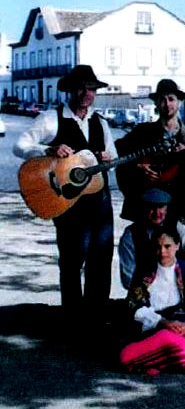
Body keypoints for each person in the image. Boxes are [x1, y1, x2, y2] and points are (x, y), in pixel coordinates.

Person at [14, 65, 117, 319]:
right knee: (72, 261)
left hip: (99, 199)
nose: (86, 93)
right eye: (81, 87)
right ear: (70, 90)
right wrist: (47, 150)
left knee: (101, 259)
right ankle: (72, 319)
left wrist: (107, 158)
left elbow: (113, 156)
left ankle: (96, 316)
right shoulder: (51, 118)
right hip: (66, 201)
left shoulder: (100, 123)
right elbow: (20, 145)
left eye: (91, 89)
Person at [119, 224, 185, 374]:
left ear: (177, 246)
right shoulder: (144, 271)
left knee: (176, 342)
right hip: (154, 328)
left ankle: (165, 360)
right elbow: (135, 306)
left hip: (182, 328)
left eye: (167, 246)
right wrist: (163, 322)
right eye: (158, 247)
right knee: (127, 355)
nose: (162, 252)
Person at [115, 79, 185, 233]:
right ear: (156, 103)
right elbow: (118, 158)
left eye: (171, 99)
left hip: (182, 211)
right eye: (162, 99)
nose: (167, 103)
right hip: (149, 209)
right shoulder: (141, 133)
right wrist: (138, 168)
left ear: (179, 103)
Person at [118, 189, 185, 290]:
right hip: (147, 290)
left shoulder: (177, 228)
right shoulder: (131, 235)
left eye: (161, 207)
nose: (157, 213)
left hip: (178, 285)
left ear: (166, 209)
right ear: (144, 209)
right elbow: (128, 278)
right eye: (151, 208)